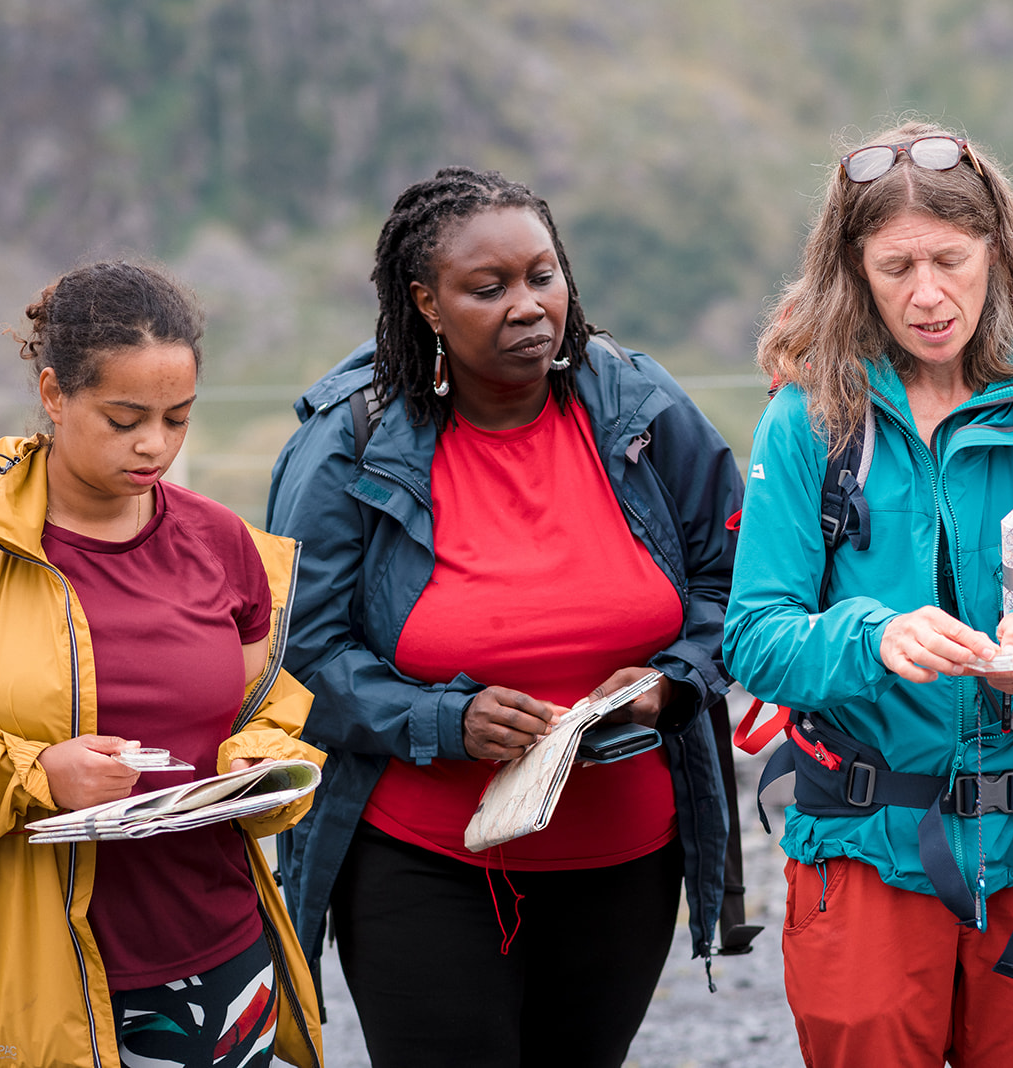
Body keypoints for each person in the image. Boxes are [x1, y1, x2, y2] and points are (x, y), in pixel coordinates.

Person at [266, 165, 743, 1068]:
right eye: (487, 289)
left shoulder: (641, 409)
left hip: (626, 863)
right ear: (427, 302)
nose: (527, 306)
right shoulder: (349, 444)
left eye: (542, 276)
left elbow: (737, 588)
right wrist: (446, 719)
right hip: (425, 863)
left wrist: (671, 680)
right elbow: (296, 658)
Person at [722, 120, 1013, 1068]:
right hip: (863, 847)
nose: (927, 295)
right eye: (895, 268)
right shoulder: (808, 422)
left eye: (950, 260)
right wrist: (870, 638)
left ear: (997, 253)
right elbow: (756, 637)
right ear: (853, 271)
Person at [0, 261, 324, 1068]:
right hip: (36, 981)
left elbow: (263, 705)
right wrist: (38, 775)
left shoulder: (221, 540)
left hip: (225, 958)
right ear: (53, 393)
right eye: (125, 417)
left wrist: (262, 766)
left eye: (179, 418)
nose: (156, 445)